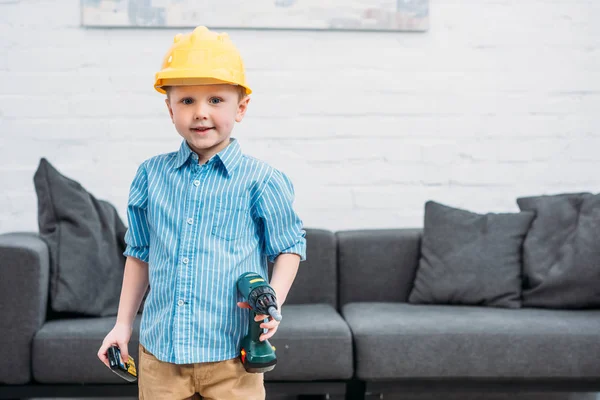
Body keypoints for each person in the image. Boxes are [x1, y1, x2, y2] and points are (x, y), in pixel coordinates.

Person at [97, 25, 306, 400]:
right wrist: (122, 325)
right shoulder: (150, 175)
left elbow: (289, 245)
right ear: (169, 107)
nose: (200, 113)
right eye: (187, 100)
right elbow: (139, 254)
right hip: (160, 357)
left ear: (240, 107)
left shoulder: (261, 179)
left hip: (232, 360)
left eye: (215, 100)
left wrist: (272, 297)